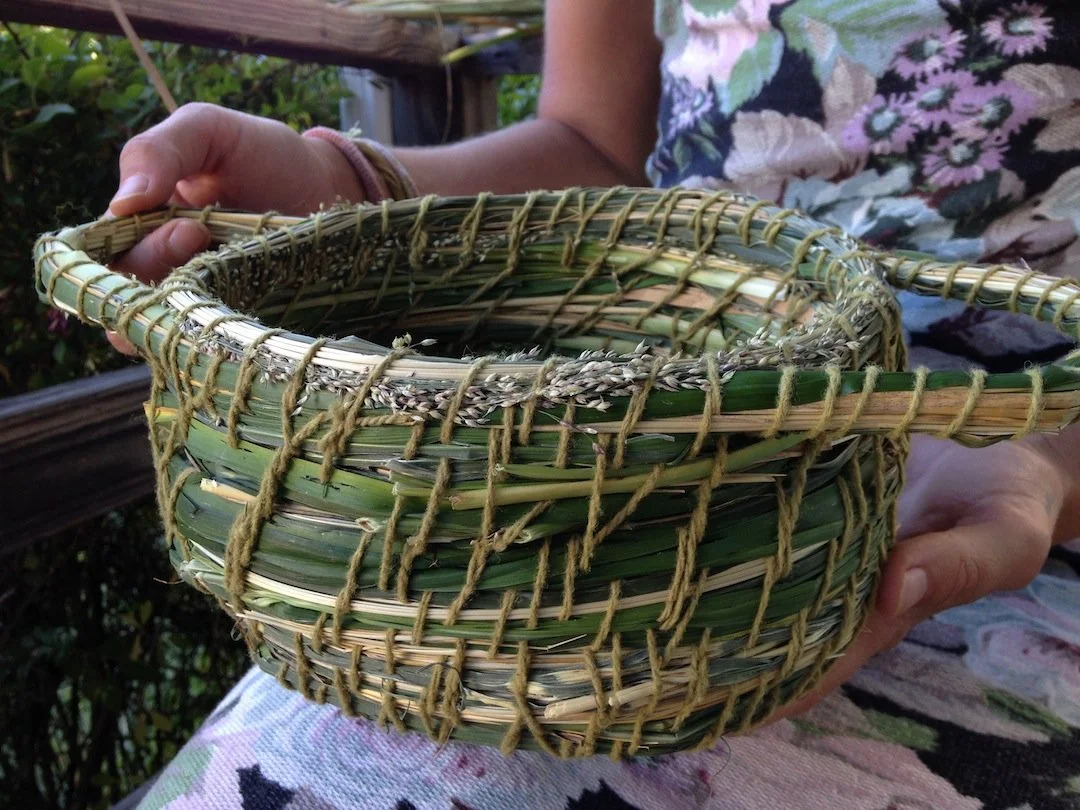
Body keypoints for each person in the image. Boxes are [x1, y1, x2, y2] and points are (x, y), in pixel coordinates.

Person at [111, 2, 1080, 808]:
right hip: (592, 479)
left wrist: (1051, 454)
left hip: (1000, 483)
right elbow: (592, 143)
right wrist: (341, 187)